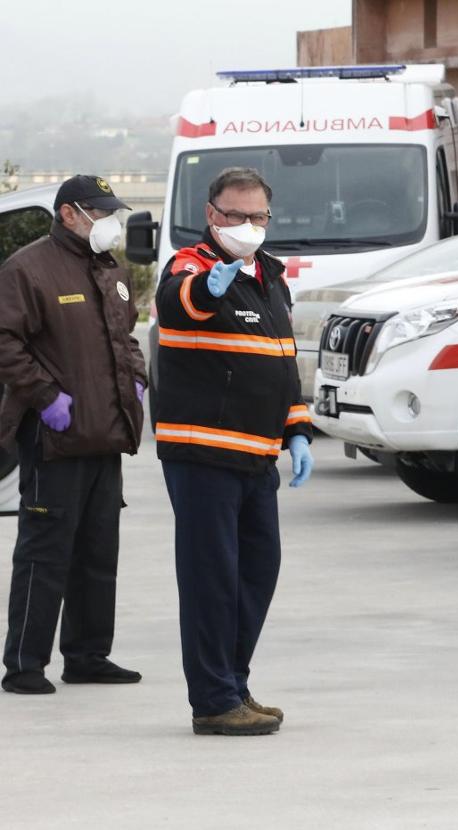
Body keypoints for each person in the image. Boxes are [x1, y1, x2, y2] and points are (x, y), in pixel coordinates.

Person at [155, 167, 314, 736]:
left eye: (258, 217)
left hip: (257, 454)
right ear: (211, 215)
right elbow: (178, 306)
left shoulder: (271, 275)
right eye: (236, 216)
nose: (248, 227)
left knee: (257, 573)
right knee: (211, 579)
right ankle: (214, 701)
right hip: (203, 453)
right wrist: (209, 286)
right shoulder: (191, 266)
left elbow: (281, 357)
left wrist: (297, 427)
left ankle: (234, 682)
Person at [0, 174, 146, 694]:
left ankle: (87, 655)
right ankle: (23, 665)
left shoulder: (108, 268)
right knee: (45, 551)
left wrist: (136, 380)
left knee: (96, 550)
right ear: (69, 213)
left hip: (106, 432)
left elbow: (124, 335)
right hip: (55, 436)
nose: (109, 222)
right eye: (100, 212)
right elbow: (6, 340)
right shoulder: (29, 269)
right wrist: (45, 397)